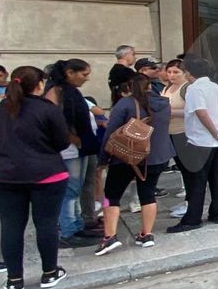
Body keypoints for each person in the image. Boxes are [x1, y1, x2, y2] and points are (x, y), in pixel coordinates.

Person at [0, 66, 71, 289]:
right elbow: (62, 141)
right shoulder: (47, 109)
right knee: (46, 223)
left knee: (11, 227)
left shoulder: (0, 108)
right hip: (45, 173)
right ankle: (49, 272)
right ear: (39, 85)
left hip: (5, 174)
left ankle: (14, 279)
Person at [95, 74, 173, 255]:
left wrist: (102, 160)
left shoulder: (124, 104)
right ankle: (147, 234)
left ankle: (109, 237)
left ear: (129, 87)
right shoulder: (163, 103)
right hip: (156, 157)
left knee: (112, 196)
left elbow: (110, 134)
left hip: (126, 158)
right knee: (148, 193)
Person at [168, 56, 218, 233]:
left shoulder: (195, 89)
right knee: (216, 176)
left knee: (197, 180)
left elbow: (201, 113)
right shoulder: (217, 88)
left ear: (189, 72)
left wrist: (216, 134)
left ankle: (193, 218)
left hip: (202, 141)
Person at [45, 59, 99, 248]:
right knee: (70, 190)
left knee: (76, 187)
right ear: (70, 73)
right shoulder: (56, 91)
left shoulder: (70, 91)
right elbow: (55, 119)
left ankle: (77, 224)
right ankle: (68, 231)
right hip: (69, 149)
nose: (86, 78)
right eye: (83, 74)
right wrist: (73, 138)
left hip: (80, 147)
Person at [163, 60, 192, 219]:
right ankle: (187, 201)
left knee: (188, 170)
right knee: (181, 168)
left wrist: (169, 111)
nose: (171, 75)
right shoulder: (167, 87)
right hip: (171, 132)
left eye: (176, 72)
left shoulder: (187, 88)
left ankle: (190, 203)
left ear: (184, 73)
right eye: (169, 72)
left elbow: (193, 110)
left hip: (184, 132)